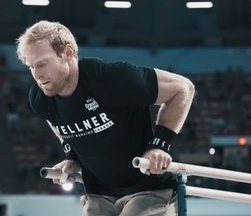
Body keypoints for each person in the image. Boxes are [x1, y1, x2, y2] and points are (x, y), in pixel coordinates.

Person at [16, 20, 195, 216]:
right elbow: (58, 124)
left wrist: (160, 145)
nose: (37, 75)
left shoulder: (111, 79)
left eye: (42, 64)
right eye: (31, 67)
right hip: (99, 193)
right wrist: (72, 157)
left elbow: (183, 88)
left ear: (67, 53)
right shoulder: (40, 98)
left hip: (147, 188)